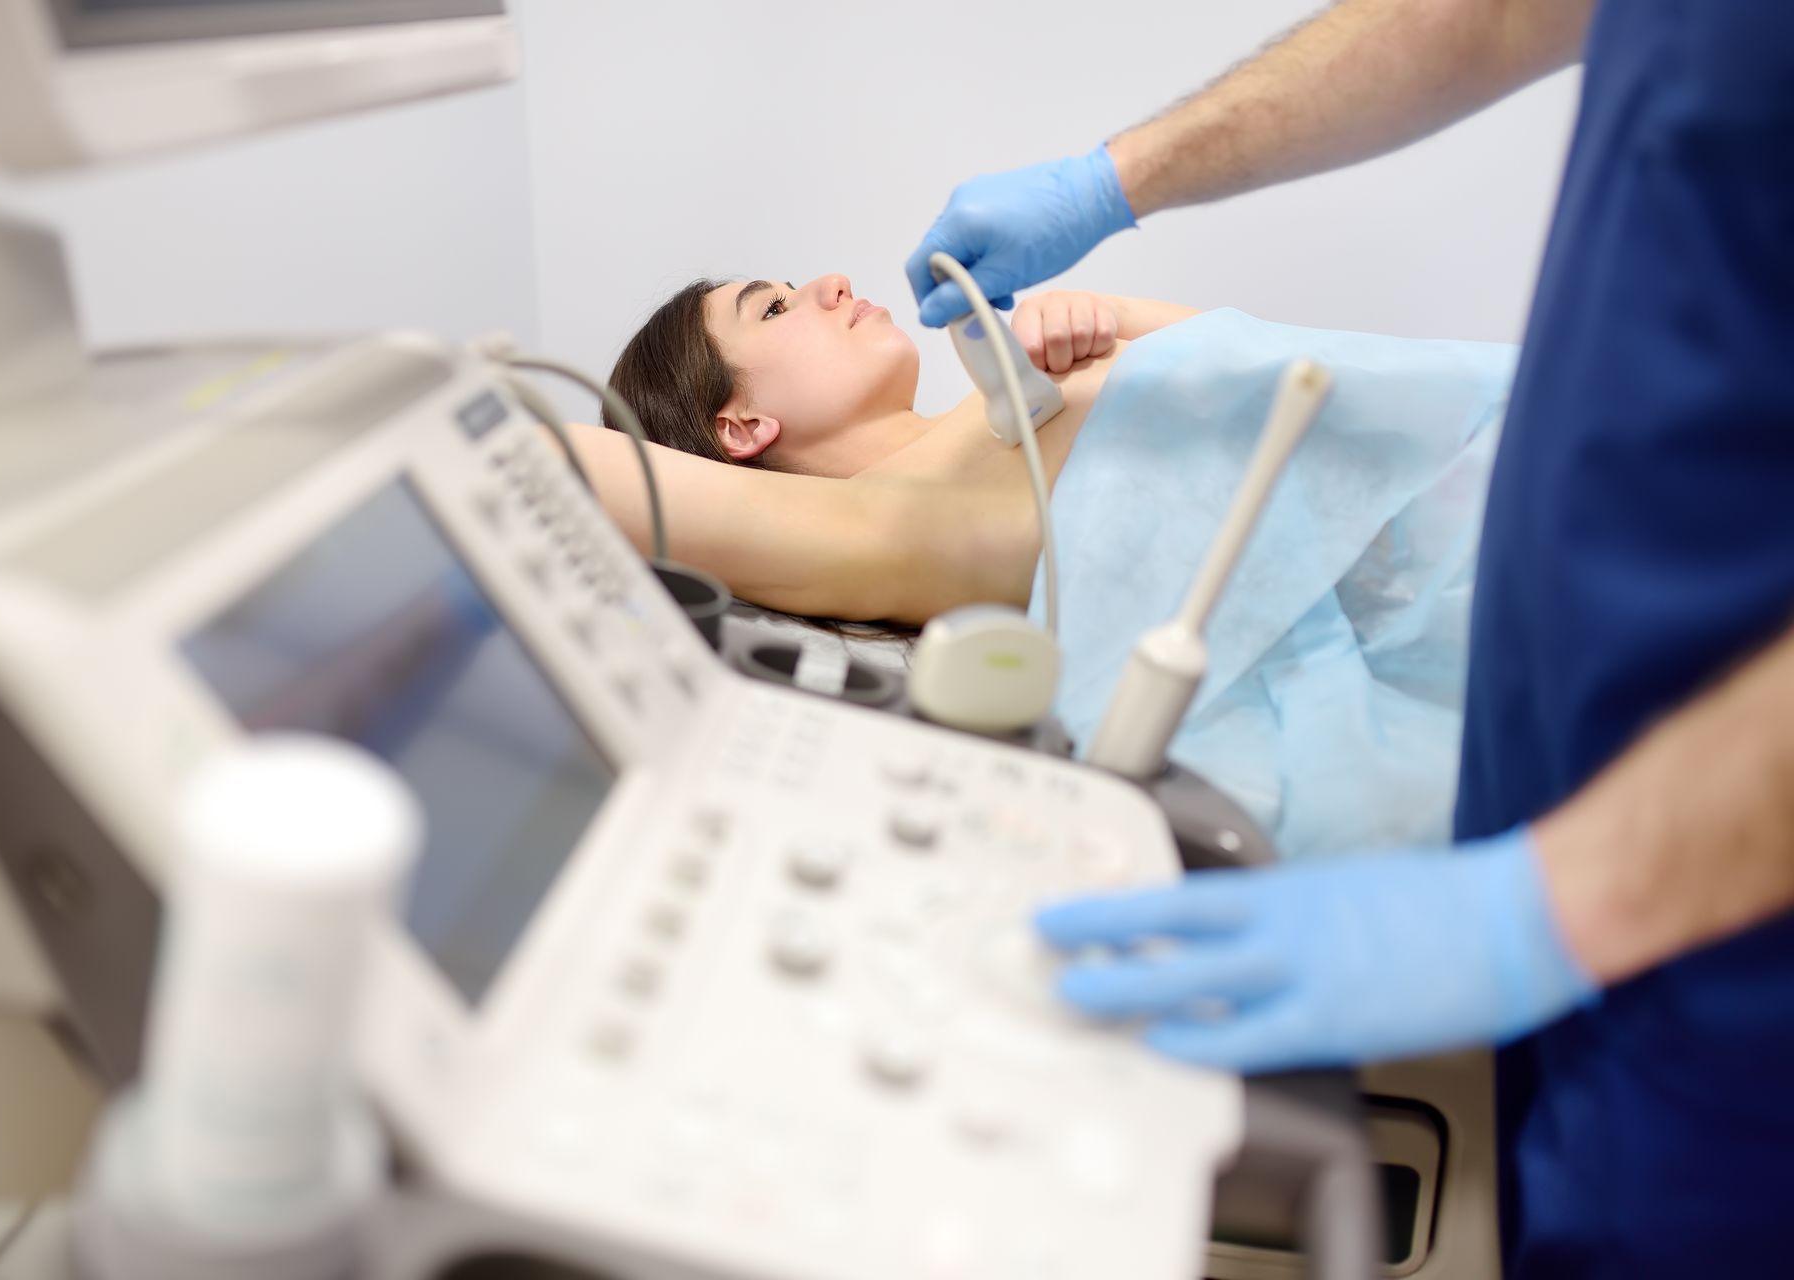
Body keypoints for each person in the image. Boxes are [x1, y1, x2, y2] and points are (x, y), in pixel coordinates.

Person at [902, 0, 1794, 1274]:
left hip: (1729, 897)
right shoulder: (934, 465)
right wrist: (1116, 178)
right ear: (736, 425)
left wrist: (1555, 904)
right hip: (1572, 732)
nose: (820, 292)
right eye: (764, 313)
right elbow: (1491, 18)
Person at [564, 277, 1196, 622]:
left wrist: (1108, 310)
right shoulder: (868, 525)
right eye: (774, 308)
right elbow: (561, 457)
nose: (833, 283)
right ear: (740, 426)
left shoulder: (1008, 387)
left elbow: (1246, 350)